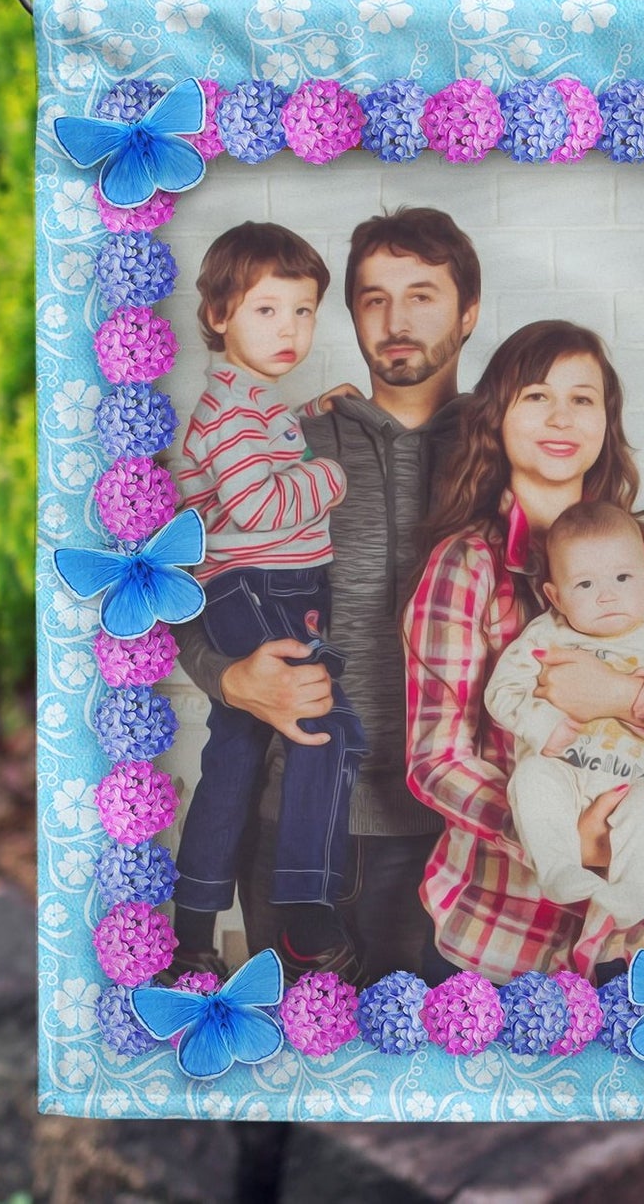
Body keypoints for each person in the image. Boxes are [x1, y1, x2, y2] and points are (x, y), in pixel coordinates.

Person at [172, 207, 481, 983]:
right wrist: (229, 679)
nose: (396, 319)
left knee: (447, 1054)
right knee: (288, 1058)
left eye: (421, 295)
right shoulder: (293, 441)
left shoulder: (507, 441)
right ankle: (208, 926)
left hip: (457, 833)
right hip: (293, 824)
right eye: (374, 298)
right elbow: (184, 588)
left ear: (468, 312)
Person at [403, 320, 644, 983]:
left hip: (633, 937)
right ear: (497, 417)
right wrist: (560, 834)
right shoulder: (466, 565)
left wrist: (618, 694)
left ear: (606, 420)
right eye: (536, 396)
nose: (561, 417)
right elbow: (435, 759)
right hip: (498, 929)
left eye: (582, 398)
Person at [170, 221, 365, 976]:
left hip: (257, 588)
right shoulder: (232, 412)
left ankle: (193, 928)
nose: (289, 328)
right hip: (257, 588)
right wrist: (332, 475)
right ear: (219, 315)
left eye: (303, 310)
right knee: (325, 728)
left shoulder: (249, 404)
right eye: (266, 309)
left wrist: (308, 415)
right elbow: (256, 504)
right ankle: (305, 908)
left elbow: (258, 452)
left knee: (236, 756)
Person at [484, 500, 644, 933]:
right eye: (585, 584)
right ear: (556, 596)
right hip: (562, 774)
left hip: (631, 784)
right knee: (531, 780)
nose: (607, 595)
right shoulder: (546, 634)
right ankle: (559, 870)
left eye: (622, 578)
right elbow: (501, 691)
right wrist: (541, 723)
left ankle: (632, 893)